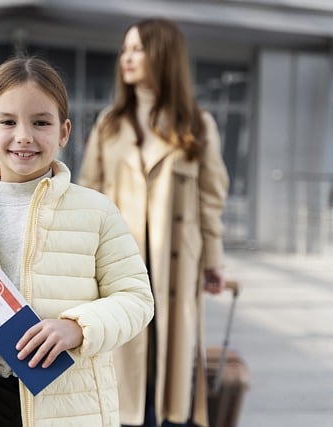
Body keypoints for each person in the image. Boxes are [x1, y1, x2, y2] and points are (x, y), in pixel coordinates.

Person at [0, 57, 154, 427]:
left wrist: (78, 326)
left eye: (41, 122)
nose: (24, 136)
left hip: (66, 405)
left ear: (64, 132)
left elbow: (137, 299)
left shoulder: (97, 213)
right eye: (8, 122)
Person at [78, 18, 230, 427]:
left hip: (175, 268)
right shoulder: (109, 125)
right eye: (125, 49)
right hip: (119, 265)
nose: (126, 58)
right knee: (123, 367)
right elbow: (86, 195)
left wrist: (213, 261)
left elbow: (210, 199)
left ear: (162, 55)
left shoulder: (198, 126)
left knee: (169, 366)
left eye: (137, 49)